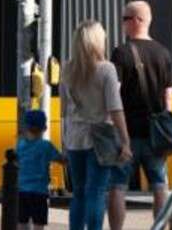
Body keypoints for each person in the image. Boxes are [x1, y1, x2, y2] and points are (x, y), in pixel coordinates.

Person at [108, 1, 172, 230]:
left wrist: (111, 124)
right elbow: (168, 96)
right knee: (159, 184)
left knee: (118, 185)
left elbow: (114, 92)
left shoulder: (121, 53)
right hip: (155, 134)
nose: (123, 23)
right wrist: (166, 125)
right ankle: (161, 227)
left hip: (126, 133)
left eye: (125, 18)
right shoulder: (163, 53)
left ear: (138, 20)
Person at [60, 20, 132, 230]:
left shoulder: (67, 70)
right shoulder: (106, 69)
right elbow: (115, 108)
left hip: (74, 138)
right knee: (96, 192)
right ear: (98, 42)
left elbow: (64, 110)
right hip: (100, 139)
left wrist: (64, 141)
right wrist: (125, 141)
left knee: (79, 193)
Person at [16, 109, 66, 230]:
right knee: (39, 223)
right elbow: (62, 160)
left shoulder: (20, 145)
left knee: (21, 221)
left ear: (26, 127)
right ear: (45, 128)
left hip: (21, 191)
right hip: (39, 192)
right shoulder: (46, 146)